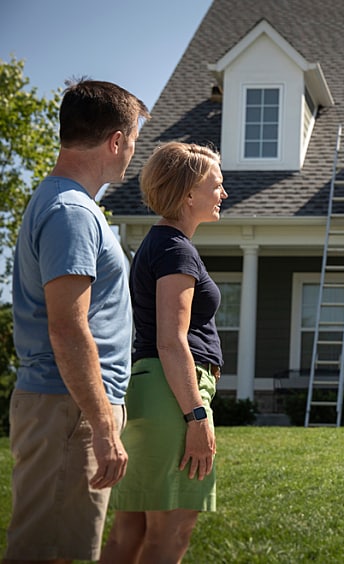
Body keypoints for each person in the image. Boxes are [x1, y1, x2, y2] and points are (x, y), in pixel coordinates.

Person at [5, 80, 148, 563]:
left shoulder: (66, 203)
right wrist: (104, 426)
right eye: (132, 141)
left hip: (71, 408)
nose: (132, 152)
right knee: (47, 554)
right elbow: (68, 328)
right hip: (70, 410)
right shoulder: (72, 212)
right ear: (115, 141)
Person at [101, 142, 227, 562]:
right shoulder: (176, 250)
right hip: (172, 399)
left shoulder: (159, 244)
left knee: (130, 533)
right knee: (171, 534)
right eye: (216, 185)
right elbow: (171, 340)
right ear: (189, 194)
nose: (222, 194)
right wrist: (197, 414)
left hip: (153, 391)